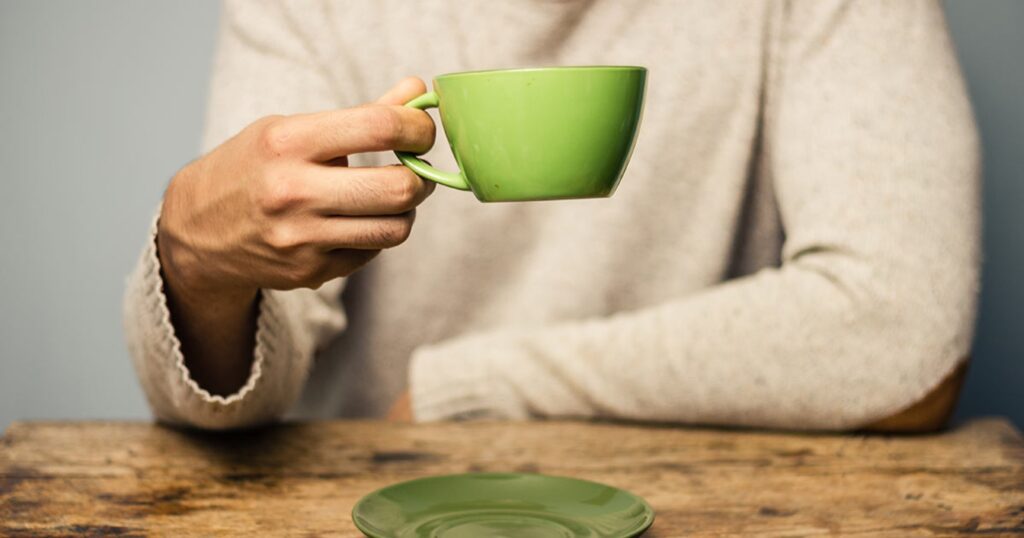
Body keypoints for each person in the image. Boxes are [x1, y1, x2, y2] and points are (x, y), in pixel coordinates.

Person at [124, 0, 979, 432]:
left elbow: (905, 336)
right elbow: (230, 402)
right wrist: (199, 271)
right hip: (395, 504)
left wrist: (475, 390)